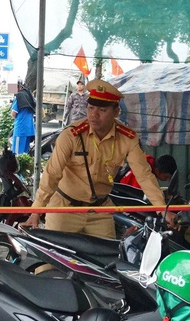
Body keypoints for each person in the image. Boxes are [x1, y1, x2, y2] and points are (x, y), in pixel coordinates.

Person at [22, 78, 173, 239]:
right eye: (91, 107)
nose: (94, 114)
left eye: (102, 110)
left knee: (110, 260)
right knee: (55, 260)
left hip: (100, 211)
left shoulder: (127, 138)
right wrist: (36, 212)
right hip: (65, 208)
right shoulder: (71, 135)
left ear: (116, 112)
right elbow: (51, 175)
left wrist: (162, 210)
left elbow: (144, 176)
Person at [10, 79, 37, 154]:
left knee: (17, 153)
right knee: (25, 153)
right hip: (29, 129)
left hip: (20, 129)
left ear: (19, 87)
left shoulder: (18, 96)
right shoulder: (29, 95)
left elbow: (13, 114)